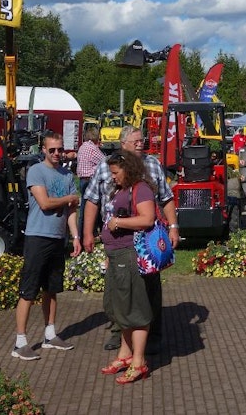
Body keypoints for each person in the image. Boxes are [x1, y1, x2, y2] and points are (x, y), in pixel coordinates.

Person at [83, 126, 180, 354]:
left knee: (150, 288)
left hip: (146, 241)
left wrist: (173, 226)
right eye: (136, 140)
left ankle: (153, 336)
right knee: (117, 289)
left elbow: (166, 198)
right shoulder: (106, 167)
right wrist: (88, 233)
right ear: (123, 143)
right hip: (117, 243)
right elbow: (91, 200)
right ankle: (120, 333)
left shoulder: (152, 165)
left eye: (142, 139)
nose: (141, 143)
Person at [11, 131, 80, 360]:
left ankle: (50, 334)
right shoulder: (36, 171)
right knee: (29, 290)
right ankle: (20, 341)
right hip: (37, 237)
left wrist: (75, 236)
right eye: (52, 150)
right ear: (44, 150)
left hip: (57, 239)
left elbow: (71, 210)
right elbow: (45, 203)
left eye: (60, 149)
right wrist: (69, 199)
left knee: (52, 288)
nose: (57, 154)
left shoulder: (67, 175)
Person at [97, 149, 155, 385]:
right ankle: (125, 354)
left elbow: (147, 218)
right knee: (120, 307)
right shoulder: (121, 189)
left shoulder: (140, 188)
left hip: (130, 255)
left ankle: (139, 362)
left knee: (135, 308)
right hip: (116, 255)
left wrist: (118, 222)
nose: (112, 177)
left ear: (128, 169)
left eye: (115, 172)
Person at [75, 125, 104, 195]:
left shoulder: (82, 146)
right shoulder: (92, 148)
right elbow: (104, 161)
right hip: (90, 179)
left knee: (83, 202)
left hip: (82, 179)